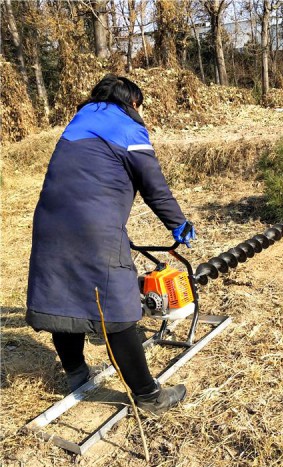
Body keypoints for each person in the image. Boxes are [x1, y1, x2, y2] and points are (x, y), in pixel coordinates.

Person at [26, 74, 196, 415]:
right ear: (132, 102)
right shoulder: (128, 127)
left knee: (63, 302)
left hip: (49, 222)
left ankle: (76, 374)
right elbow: (154, 187)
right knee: (118, 312)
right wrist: (179, 224)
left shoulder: (78, 122)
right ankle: (149, 396)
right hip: (94, 228)